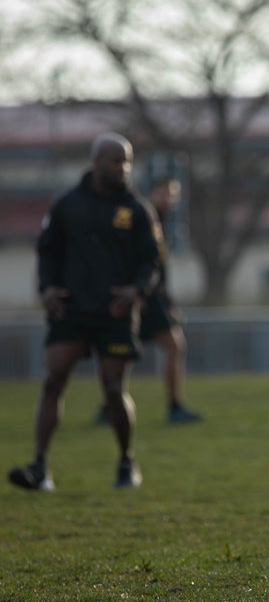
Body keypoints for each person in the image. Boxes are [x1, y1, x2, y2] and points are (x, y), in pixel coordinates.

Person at [8, 133, 161, 491]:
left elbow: (151, 260)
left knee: (112, 388)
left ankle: (126, 462)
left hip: (115, 311)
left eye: (127, 161)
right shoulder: (67, 204)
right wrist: (47, 289)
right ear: (96, 163)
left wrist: (137, 289)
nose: (122, 168)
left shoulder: (137, 209)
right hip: (71, 309)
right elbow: (48, 253)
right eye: (115, 160)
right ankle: (40, 467)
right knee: (53, 380)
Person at [95, 176, 202, 425]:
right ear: (152, 191)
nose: (171, 199)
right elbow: (127, 254)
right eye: (165, 192)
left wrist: (167, 301)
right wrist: (137, 291)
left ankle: (109, 407)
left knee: (127, 352)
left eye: (174, 194)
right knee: (162, 347)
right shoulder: (139, 214)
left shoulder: (161, 221)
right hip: (142, 297)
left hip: (152, 296)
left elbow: (157, 267)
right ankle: (171, 407)